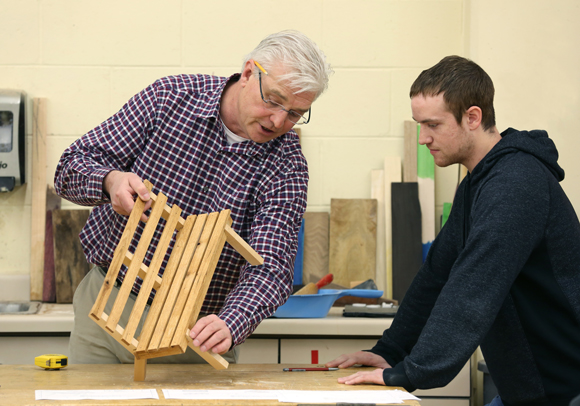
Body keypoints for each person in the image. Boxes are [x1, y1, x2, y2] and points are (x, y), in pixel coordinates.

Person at [54, 30, 332, 365]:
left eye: (295, 113)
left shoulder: (286, 165)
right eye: (273, 101)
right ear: (248, 73)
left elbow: (271, 267)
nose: (278, 120)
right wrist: (110, 180)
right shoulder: (169, 97)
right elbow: (70, 166)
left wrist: (233, 321)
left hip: (194, 334)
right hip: (108, 305)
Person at [326, 55, 580, 406]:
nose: (422, 138)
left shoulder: (517, 182)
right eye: (419, 125)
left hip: (565, 390)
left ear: (472, 117)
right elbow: (437, 275)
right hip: (528, 390)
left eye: (432, 125)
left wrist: (412, 372)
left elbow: (473, 287)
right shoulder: (478, 182)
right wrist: (392, 350)